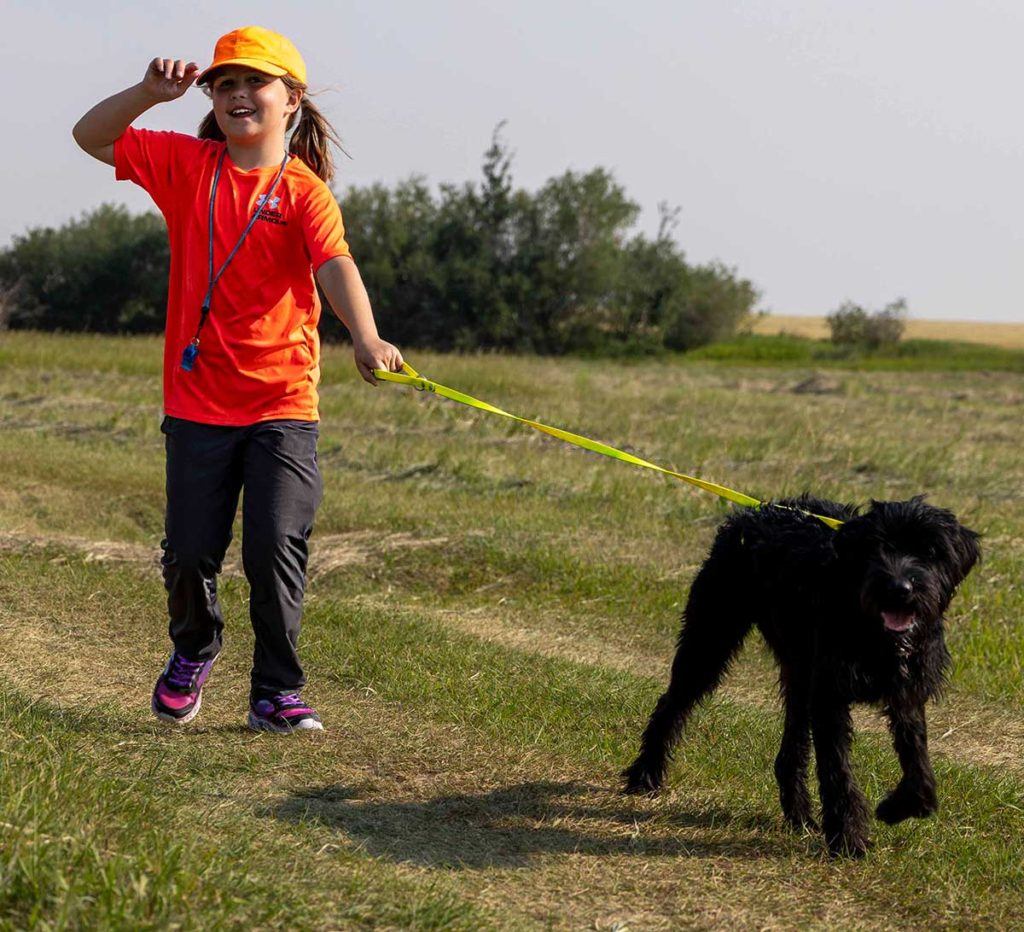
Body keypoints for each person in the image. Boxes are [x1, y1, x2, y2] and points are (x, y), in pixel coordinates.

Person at [72, 25, 403, 733]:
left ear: (292, 98)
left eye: (254, 81)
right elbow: (88, 135)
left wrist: (366, 336)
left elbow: (334, 264)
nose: (238, 94)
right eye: (224, 84)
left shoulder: (307, 192)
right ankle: (193, 649)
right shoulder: (187, 165)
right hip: (197, 403)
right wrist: (146, 94)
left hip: (284, 401)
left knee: (274, 547)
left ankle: (276, 693)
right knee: (189, 552)